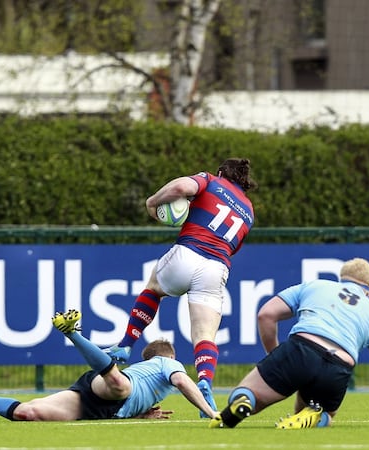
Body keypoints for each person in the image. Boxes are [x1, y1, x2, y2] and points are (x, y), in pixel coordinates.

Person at [103, 158, 256, 417]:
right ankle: (205, 381)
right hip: (216, 267)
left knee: (153, 289)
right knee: (205, 335)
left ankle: (125, 345)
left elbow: (180, 189)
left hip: (188, 252)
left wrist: (152, 202)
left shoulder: (210, 180)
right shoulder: (249, 211)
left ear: (222, 172)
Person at [210, 257, 369, 429]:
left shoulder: (316, 286)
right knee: (323, 411)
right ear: (368, 289)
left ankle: (244, 401)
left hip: (302, 349)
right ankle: (316, 417)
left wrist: (275, 356)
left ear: (341, 278)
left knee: (249, 394)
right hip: (339, 368)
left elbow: (265, 315)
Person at [0, 309, 218, 420]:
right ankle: (73, 333)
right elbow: (183, 381)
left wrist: (140, 415)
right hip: (109, 387)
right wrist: (209, 411)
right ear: (168, 357)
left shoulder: (152, 386)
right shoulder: (166, 364)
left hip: (103, 407)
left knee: (28, 414)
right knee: (119, 384)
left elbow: (128, 406)